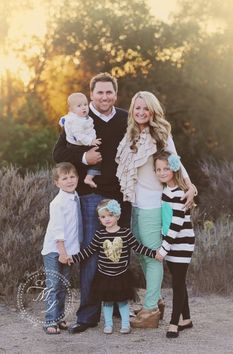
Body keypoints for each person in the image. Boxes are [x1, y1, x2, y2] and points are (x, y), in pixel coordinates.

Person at [53, 72, 131, 333]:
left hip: (121, 196)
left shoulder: (124, 118)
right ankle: (87, 315)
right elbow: (58, 153)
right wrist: (84, 158)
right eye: (99, 92)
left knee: (119, 253)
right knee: (91, 253)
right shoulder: (79, 119)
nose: (104, 97)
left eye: (109, 92)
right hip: (92, 196)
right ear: (91, 95)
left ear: (116, 95)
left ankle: (118, 306)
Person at [116, 91, 197, 328]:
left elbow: (176, 162)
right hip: (135, 204)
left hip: (153, 205)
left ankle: (150, 310)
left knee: (152, 258)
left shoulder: (161, 135)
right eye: (137, 108)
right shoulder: (130, 134)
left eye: (145, 109)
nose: (141, 113)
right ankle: (155, 300)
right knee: (142, 254)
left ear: (152, 111)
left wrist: (190, 186)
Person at [65, 199, 159, 334]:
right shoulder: (100, 235)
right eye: (103, 217)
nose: (107, 219)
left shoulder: (126, 233)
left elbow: (137, 247)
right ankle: (108, 325)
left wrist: (153, 253)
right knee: (107, 302)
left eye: (110, 215)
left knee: (122, 301)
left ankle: (125, 325)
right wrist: (73, 258)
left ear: (117, 216)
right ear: (99, 219)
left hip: (121, 275)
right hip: (104, 275)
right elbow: (89, 251)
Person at [154, 151, 195, 338]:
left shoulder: (178, 192)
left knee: (177, 283)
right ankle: (186, 318)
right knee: (178, 281)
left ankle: (174, 323)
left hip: (182, 243)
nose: (162, 172)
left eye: (166, 168)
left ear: (174, 168)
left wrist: (163, 248)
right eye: (158, 169)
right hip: (171, 243)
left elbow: (177, 224)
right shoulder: (166, 190)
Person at [41, 162, 82, 334]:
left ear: (78, 178)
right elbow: (58, 230)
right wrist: (62, 252)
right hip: (55, 250)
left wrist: (72, 251)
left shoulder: (75, 196)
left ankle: (59, 318)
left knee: (63, 285)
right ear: (57, 183)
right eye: (64, 178)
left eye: (72, 177)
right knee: (53, 285)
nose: (69, 181)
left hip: (68, 251)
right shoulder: (57, 202)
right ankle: (49, 320)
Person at [59, 92, 102, 189]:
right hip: (77, 145)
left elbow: (64, 119)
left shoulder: (79, 117)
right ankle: (89, 177)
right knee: (97, 159)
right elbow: (79, 136)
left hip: (80, 143)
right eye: (79, 106)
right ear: (71, 109)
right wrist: (90, 141)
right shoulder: (75, 121)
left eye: (85, 105)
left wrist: (62, 121)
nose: (83, 108)